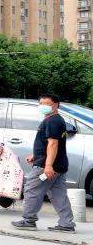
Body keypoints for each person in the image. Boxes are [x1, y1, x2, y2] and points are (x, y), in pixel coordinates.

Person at [13, 93, 76, 233]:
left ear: (56, 105)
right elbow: (49, 144)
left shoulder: (52, 121)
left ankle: (29, 220)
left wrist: (47, 165)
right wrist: (36, 155)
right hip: (59, 165)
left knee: (31, 190)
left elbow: (53, 144)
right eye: (41, 103)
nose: (43, 106)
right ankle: (67, 224)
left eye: (47, 104)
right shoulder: (57, 120)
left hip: (47, 166)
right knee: (58, 195)